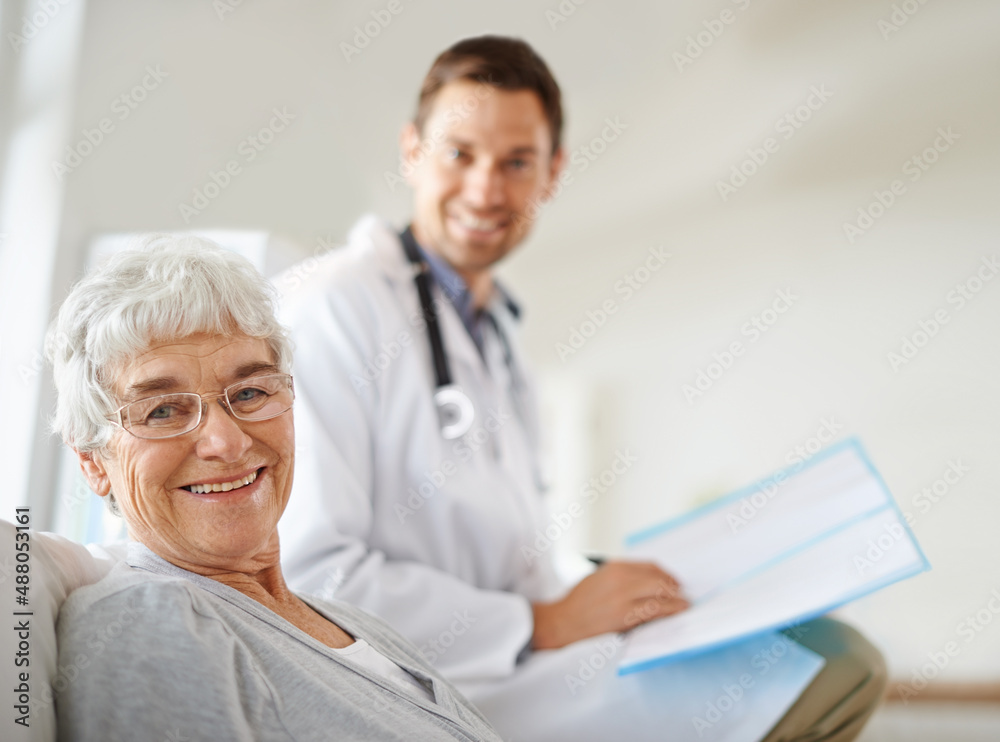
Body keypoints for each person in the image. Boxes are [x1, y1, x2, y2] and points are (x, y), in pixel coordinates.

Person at [277, 36, 887, 742]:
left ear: (553, 174)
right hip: (418, 688)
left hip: (515, 659)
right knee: (835, 667)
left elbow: (515, 556)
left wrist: (599, 595)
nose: (485, 189)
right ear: (412, 151)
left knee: (808, 645)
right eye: (459, 154)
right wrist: (546, 621)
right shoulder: (332, 305)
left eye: (516, 162)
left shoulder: (494, 330)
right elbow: (314, 579)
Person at [46, 237, 503, 742]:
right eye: (162, 410)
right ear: (92, 462)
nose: (225, 441)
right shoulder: (143, 624)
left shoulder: (359, 626)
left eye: (249, 392)